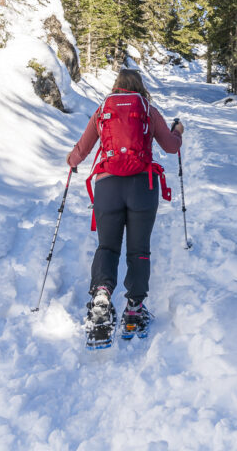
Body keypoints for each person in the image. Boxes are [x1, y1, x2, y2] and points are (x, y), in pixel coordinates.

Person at [67, 68, 183, 343]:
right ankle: (134, 310)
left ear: (116, 85)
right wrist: (177, 131)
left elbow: (82, 149)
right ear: (141, 87)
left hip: (107, 187)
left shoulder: (103, 111)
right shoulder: (148, 110)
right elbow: (170, 147)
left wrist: (71, 161)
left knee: (107, 246)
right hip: (143, 187)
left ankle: (101, 298)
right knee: (138, 249)